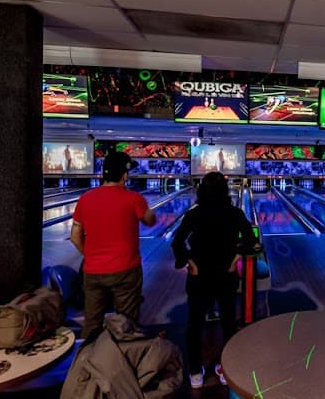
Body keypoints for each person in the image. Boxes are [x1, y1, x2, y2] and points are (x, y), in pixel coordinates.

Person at [171, 172, 259, 389]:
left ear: (202, 190)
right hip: (225, 275)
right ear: (225, 191)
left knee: (195, 325)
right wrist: (236, 257)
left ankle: (195, 373)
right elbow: (251, 240)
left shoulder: (194, 214)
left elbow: (177, 242)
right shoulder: (235, 213)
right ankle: (224, 368)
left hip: (199, 277)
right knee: (229, 322)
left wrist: (189, 262)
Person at [70, 151, 156, 338]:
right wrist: (149, 211)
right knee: (126, 323)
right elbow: (150, 220)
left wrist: (91, 255)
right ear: (125, 175)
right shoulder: (134, 198)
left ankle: (87, 360)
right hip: (125, 271)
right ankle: (122, 361)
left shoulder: (85, 199)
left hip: (92, 271)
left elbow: (75, 235)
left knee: (91, 322)